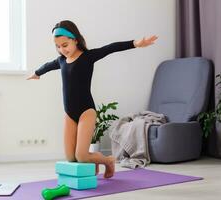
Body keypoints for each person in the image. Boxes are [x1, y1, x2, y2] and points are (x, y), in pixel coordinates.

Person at [27, 20, 157, 178]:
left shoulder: (88, 57)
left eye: (65, 45)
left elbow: (111, 48)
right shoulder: (61, 61)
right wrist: (37, 73)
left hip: (86, 112)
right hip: (69, 114)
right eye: (58, 46)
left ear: (75, 39)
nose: (62, 49)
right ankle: (94, 161)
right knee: (71, 157)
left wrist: (136, 43)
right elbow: (48, 65)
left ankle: (108, 161)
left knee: (81, 156)